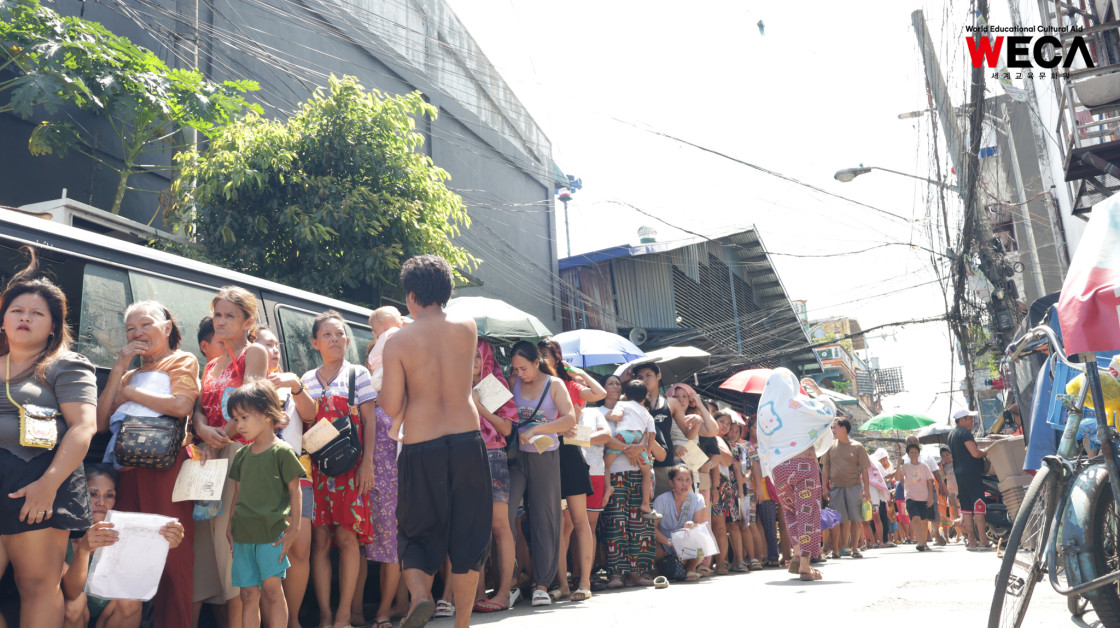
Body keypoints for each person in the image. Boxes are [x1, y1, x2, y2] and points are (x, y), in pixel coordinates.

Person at [379, 255, 493, 628]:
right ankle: (462, 623)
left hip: (422, 443)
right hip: (467, 440)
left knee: (416, 532)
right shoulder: (467, 327)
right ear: (447, 291)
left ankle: (421, 596)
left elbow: (391, 405)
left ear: (411, 295)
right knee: (468, 532)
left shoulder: (398, 341)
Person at [0, 250, 98, 626]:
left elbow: (83, 427)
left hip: (37, 481)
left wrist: (48, 485)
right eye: (17, 310)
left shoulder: (65, 365)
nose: (25, 317)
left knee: (37, 587)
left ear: (54, 325)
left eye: (36, 313)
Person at [96, 301, 199, 628]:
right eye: (130, 329)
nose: (137, 333)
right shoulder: (129, 374)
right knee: (125, 556)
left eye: (145, 325)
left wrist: (131, 395)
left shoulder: (181, 360)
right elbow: (100, 422)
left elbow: (181, 406)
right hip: (126, 472)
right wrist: (119, 367)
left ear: (167, 328)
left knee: (172, 555)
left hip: (166, 469)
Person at [192, 286, 269, 628]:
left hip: (238, 454)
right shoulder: (211, 364)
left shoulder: (254, 352)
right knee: (208, 550)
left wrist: (219, 438)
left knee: (233, 548)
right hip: (208, 457)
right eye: (217, 315)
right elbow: (199, 409)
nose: (220, 321)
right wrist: (202, 430)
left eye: (229, 316)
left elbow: (249, 403)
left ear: (248, 321)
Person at [297, 311, 377, 628]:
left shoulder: (359, 374)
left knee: (347, 539)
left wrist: (367, 463)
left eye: (340, 334)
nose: (334, 339)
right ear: (315, 342)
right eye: (327, 335)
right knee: (318, 542)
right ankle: (325, 616)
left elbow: (369, 421)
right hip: (316, 470)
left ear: (347, 339)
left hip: (351, 468)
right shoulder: (305, 380)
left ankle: (343, 615)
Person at [498, 340, 576, 607]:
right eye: (515, 369)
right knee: (504, 515)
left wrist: (538, 429)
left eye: (524, 368)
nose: (520, 374)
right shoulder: (512, 382)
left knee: (545, 518)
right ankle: (509, 581)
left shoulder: (555, 384)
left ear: (536, 362)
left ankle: (542, 584)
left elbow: (569, 419)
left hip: (545, 454)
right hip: (515, 457)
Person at [62, 464, 185, 628]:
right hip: (74, 615)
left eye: (109, 495)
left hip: (111, 614)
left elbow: (139, 579)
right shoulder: (62, 536)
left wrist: (164, 544)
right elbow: (71, 593)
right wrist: (84, 550)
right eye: (93, 494)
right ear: (80, 495)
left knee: (131, 601)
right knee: (74, 605)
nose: (101, 502)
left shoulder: (126, 535)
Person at [223, 380, 304, 628]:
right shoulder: (242, 455)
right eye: (235, 419)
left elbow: (296, 490)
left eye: (244, 417)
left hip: (272, 535)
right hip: (243, 535)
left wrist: (295, 529)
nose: (239, 425)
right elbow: (238, 493)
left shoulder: (283, 451)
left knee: (272, 592)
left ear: (268, 414)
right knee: (248, 595)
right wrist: (230, 525)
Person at [257, 327, 317, 628]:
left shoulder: (292, 381)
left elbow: (310, 415)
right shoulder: (248, 385)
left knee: (300, 548)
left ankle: (293, 620)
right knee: (267, 552)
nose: (274, 350)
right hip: (262, 472)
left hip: (297, 470)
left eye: (276, 345)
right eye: (266, 345)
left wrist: (295, 386)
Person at [349, 315, 407, 628]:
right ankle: (358, 611)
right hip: (360, 479)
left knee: (389, 548)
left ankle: (384, 611)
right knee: (361, 548)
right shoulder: (365, 391)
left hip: (392, 481)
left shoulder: (402, 395)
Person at [536, 338, 604, 602]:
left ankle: (584, 582)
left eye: (546, 354)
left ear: (557, 357)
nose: (542, 359)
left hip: (569, 452)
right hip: (543, 451)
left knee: (579, 520)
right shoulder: (532, 385)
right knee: (557, 524)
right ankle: (562, 584)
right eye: (539, 354)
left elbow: (599, 393)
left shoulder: (571, 385)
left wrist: (579, 373)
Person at [755, 369, 835, 581]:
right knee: (808, 513)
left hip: (778, 469)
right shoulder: (798, 403)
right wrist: (818, 393)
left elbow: (762, 443)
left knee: (790, 512)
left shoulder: (764, 410)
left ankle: (798, 554)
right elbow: (828, 412)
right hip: (803, 464)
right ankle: (805, 566)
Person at [470, 340, 519, 613]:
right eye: (468, 356)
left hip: (492, 454)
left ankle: (503, 592)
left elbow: (507, 429)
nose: (474, 361)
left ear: (487, 358)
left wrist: (479, 406)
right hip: (463, 456)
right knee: (473, 527)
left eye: (478, 356)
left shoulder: (493, 386)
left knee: (500, 526)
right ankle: (476, 593)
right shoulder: (455, 384)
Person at [599, 374, 660, 589]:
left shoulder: (631, 408)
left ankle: (636, 573)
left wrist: (638, 448)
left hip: (636, 473)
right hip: (615, 474)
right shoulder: (599, 413)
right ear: (602, 388)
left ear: (624, 391)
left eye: (618, 383)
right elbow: (604, 440)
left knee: (639, 525)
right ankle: (615, 574)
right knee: (616, 525)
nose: (615, 386)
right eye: (610, 383)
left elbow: (646, 436)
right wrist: (631, 449)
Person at [601, 379, 657, 518]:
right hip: (638, 439)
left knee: (606, 465)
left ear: (625, 395)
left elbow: (617, 416)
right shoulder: (646, 412)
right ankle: (645, 503)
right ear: (644, 398)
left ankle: (608, 487)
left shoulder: (622, 404)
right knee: (647, 473)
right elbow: (651, 434)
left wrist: (607, 415)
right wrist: (648, 452)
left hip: (622, 436)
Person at [821, 417, 871, 559]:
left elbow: (865, 470)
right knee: (835, 520)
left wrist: (866, 490)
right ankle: (836, 550)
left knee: (856, 519)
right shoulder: (829, 446)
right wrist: (824, 487)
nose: (832, 430)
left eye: (834, 427)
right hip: (835, 488)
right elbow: (825, 468)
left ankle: (854, 549)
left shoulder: (858, 446)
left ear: (843, 429)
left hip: (854, 487)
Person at [652, 464, 710, 582]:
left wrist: (693, 526)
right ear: (671, 483)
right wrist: (669, 542)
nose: (684, 483)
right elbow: (652, 528)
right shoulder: (661, 500)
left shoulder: (697, 499)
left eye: (688, 480)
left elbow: (699, 525)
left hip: (686, 544)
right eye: (680, 480)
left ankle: (691, 568)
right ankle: (657, 570)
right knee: (650, 541)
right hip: (664, 543)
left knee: (700, 534)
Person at [948, 409, 994, 550]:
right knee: (979, 506)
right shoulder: (965, 433)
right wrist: (987, 451)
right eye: (969, 418)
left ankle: (972, 541)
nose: (972, 421)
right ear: (961, 420)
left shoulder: (952, 435)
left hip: (960, 475)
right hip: (972, 474)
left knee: (966, 509)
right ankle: (983, 540)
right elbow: (975, 453)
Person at [632, 363, 676, 496]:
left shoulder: (671, 402)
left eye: (648, 375)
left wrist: (697, 420)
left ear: (658, 376)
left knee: (664, 505)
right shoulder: (630, 405)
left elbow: (686, 434)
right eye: (640, 377)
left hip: (664, 465)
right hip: (636, 464)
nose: (644, 380)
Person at [708, 411, 742, 574]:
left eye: (728, 424)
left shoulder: (728, 443)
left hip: (724, 485)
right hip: (711, 482)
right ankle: (717, 563)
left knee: (728, 525)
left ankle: (728, 562)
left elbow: (727, 461)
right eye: (721, 422)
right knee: (715, 526)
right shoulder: (709, 437)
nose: (725, 426)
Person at [897, 443, 936, 552]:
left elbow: (930, 482)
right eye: (911, 452)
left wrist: (930, 497)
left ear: (919, 453)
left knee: (924, 521)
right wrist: (898, 465)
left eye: (915, 452)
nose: (914, 454)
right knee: (915, 518)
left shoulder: (924, 466)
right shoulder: (905, 466)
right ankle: (920, 542)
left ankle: (924, 543)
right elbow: (898, 478)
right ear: (908, 454)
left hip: (923, 497)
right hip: (910, 497)